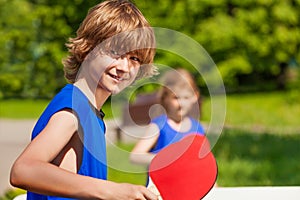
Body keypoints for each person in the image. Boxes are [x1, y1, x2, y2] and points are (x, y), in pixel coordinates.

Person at [10, 1, 158, 200]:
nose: (124, 67)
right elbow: (23, 171)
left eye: (135, 59)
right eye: (115, 52)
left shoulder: (92, 115)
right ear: (88, 49)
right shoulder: (72, 111)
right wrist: (113, 190)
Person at [130, 68, 205, 166]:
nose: (181, 104)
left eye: (186, 97)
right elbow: (135, 156)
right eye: (175, 98)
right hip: (161, 181)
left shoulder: (198, 128)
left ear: (195, 96)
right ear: (165, 98)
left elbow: (204, 164)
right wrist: (166, 160)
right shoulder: (159, 125)